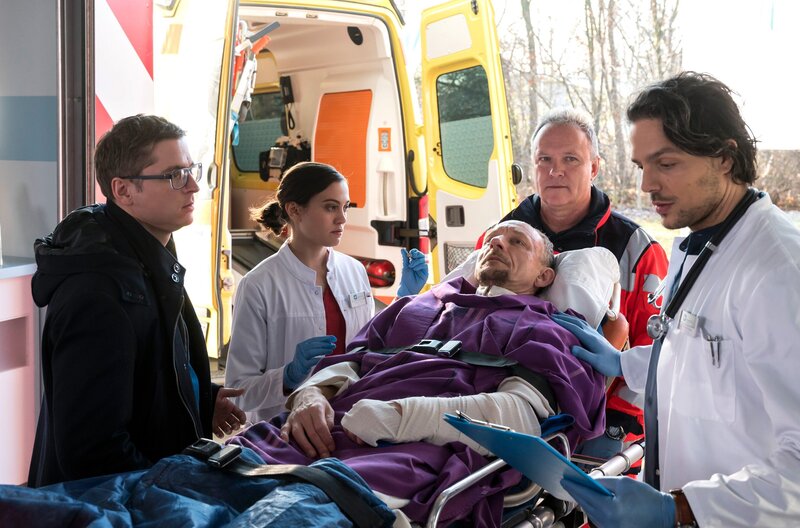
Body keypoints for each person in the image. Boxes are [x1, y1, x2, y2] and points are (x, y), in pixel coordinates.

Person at [229, 220, 610, 526]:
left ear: (544, 277)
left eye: (516, 242)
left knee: (291, 510)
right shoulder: (417, 307)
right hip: (322, 430)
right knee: (214, 471)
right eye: (493, 238)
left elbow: (518, 418)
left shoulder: (545, 329)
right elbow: (354, 361)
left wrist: (399, 417)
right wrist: (311, 395)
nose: (497, 243)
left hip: (410, 453)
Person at [555, 72, 800, 527]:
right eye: (641, 166)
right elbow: (709, 361)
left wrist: (682, 509)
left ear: (724, 158)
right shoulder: (699, 242)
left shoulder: (779, 270)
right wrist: (625, 363)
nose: (647, 184)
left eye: (665, 164)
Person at [28, 114, 247, 487]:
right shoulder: (98, 294)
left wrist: (196, 398)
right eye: (175, 175)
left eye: (191, 169)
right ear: (124, 190)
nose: (193, 185)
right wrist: (171, 491)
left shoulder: (147, 261)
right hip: (113, 507)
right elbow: (93, 451)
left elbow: (139, 374)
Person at [489, 108, 670, 451]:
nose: (555, 171)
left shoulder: (636, 250)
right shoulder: (499, 237)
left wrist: (616, 422)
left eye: (570, 159)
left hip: (601, 425)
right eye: (544, 159)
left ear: (594, 167)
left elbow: (656, 348)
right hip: (503, 410)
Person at [224, 162, 427, 423]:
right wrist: (287, 377)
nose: (342, 218)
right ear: (295, 210)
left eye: (345, 207)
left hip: (352, 421)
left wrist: (404, 300)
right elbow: (238, 392)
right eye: (331, 207)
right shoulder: (259, 285)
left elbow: (373, 347)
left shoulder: (354, 271)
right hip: (286, 430)